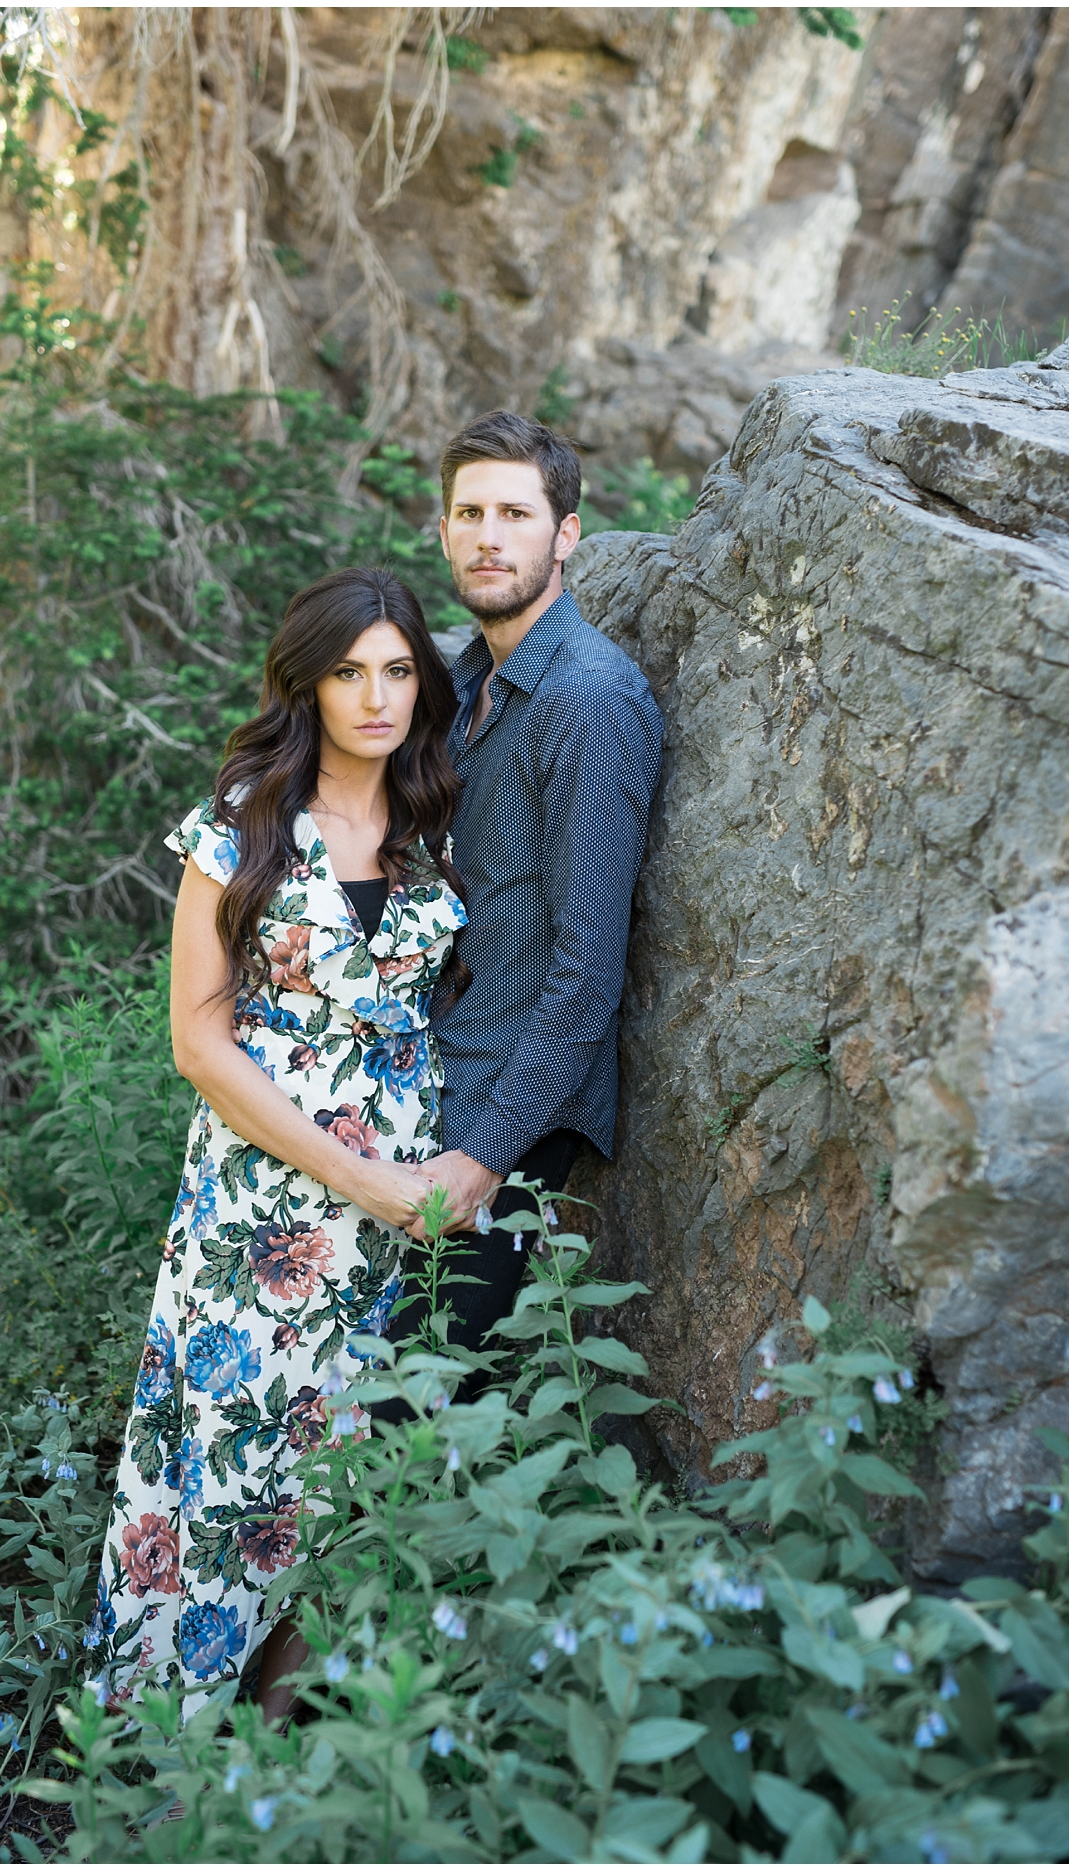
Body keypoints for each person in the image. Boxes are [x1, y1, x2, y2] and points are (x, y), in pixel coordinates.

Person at [86, 567, 468, 1727]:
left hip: (415, 1212)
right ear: (305, 682)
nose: (376, 696)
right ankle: (165, 1761)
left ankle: (285, 1758)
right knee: (234, 1471)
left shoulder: (439, 813)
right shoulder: (242, 818)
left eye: (398, 669)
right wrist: (365, 1177)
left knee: (355, 1480)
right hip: (263, 1214)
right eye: (349, 671)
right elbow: (198, 1042)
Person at [407, 410, 665, 1355]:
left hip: (506, 1114)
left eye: (515, 513)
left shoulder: (589, 701)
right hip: (424, 1081)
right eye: (468, 513)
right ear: (442, 531)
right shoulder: (455, 679)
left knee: (410, 1406)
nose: (487, 536)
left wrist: (484, 1157)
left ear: (565, 536)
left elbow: (587, 972)